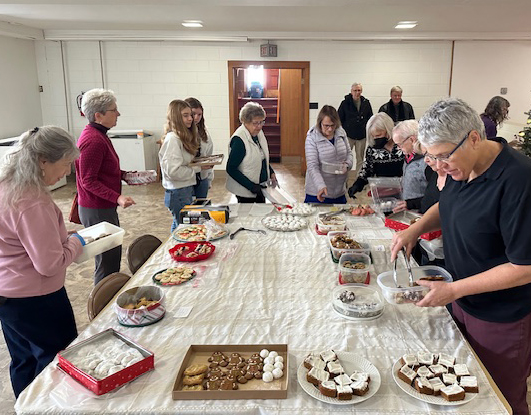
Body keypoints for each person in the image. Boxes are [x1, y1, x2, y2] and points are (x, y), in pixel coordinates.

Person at [390, 98, 531, 415]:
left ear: (474, 138)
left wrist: (454, 289)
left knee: (501, 397)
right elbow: (448, 207)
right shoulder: (460, 169)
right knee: (461, 388)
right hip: (460, 302)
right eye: (432, 158)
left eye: (442, 157)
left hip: (500, 316)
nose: (438, 166)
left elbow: (525, 267)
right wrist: (415, 229)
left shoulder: (518, 181)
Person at [0, 126, 85, 398]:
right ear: (43, 161)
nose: (68, 172)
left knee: (23, 359)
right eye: (65, 164)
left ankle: (24, 405)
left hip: (8, 294)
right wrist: (77, 242)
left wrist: (59, 236)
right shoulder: (32, 201)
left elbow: (19, 241)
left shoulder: (6, 186)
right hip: (37, 298)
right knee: (54, 362)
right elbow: (49, 265)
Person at [76, 88, 136, 285]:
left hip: (101, 207)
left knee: (110, 259)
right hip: (96, 209)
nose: (118, 114)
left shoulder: (99, 134)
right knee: (106, 263)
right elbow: (88, 180)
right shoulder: (93, 140)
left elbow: (103, 170)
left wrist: (125, 175)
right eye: (114, 110)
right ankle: (102, 307)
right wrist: (117, 197)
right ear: (98, 115)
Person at [160, 99, 210, 232]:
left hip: (184, 189)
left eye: (190, 115)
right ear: (176, 117)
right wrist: (198, 168)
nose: (191, 119)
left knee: (182, 226)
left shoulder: (181, 136)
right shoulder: (173, 139)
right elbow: (174, 172)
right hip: (178, 192)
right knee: (183, 228)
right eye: (185, 115)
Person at [226, 101, 277, 203]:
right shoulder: (239, 140)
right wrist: (251, 186)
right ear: (245, 121)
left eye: (261, 122)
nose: (259, 126)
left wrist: (271, 172)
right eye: (255, 123)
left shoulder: (258, 133)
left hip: (260, 186)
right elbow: (231, 168)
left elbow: (261, 156)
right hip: (246, 191)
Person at [347, 113, 405, 198]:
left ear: (388, 130)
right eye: (373, 136)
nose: (376, 139)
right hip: (383, 193)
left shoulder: (402, 145)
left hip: (404, 191)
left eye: (378, 135)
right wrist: (357, 185)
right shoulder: (372, 149)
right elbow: (367, 170)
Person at [305, 105, 353, 203]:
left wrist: (347, 165)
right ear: (320, 123)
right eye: (326, 126)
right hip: (318, 192)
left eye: (333, 125)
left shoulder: (341, 133)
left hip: (339, 191)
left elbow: (349, 154)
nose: (330, 129)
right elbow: (312, 166)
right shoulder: (312, 137)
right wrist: (320, 186)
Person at [391, 120, 428, 213]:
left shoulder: (427, 162)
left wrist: (411, 203)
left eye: (400, 144)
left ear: (412, 139)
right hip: (409, 212)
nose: (399, 148)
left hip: (423, 214)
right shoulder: (408, 157)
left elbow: (435, 196)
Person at [338, 83, 373, 175]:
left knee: (360, 158)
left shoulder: (366, 103)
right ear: (351, 91)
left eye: (359, 90)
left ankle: (359, 179)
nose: (357, 92)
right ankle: (344, 178)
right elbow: (339, 119)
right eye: (355, 90)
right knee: (345, 158)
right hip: (348, 136)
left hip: (362, 136)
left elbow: (370, 118)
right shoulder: (345, 103)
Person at [185, 97, 214, 199]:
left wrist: (209, 179)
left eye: (199, 114)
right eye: (193, 114)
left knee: (201, 208)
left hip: (202, 178)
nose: (196, 118)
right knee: (189, 211)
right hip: (187, 179)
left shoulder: (204, 133)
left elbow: (209, 156)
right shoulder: (179, 135)